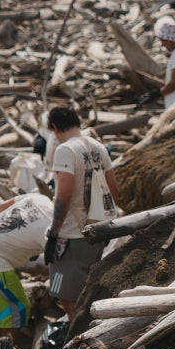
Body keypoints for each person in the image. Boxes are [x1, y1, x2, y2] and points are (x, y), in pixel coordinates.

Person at [44, 106, 121, 322]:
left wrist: (52, 235)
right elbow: (113, 188)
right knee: (87, 288)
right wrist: (109, 225)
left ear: (55, 128)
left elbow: (64, 196)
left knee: (68, 299)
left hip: (72, 234)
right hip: (97, 229)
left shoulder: (65, 150)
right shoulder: (99, 147)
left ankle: (80, 339)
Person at [0, 192, 54, 346]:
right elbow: (55, 259)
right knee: (17, 306)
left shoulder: (39, 198)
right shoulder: (52, 229)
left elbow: (2, 206)